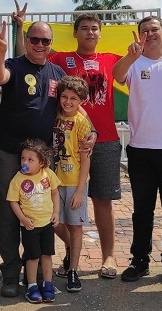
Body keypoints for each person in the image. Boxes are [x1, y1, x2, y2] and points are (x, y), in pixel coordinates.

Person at [0, 16, 80, 297]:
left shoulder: (57, 73)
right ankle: (10, 274)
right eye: (34, 39)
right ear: (27, 41)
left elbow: (71, 104)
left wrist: (92, 132)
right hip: (8, 151)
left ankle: (40, 272)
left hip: (41, 158)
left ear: (51, 44)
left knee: (39, 211)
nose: (40, 44)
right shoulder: (14, 65)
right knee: (9, 212)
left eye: (45, 40)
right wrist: (0, 54)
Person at [40, 12, 125, 280]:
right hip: (64, 144)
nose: (90, 32)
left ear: (101, 34)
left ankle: (108, 256)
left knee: (102, 201)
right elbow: (32, 54)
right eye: (84, 28)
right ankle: (71, 248)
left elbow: (140, 62)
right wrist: (21, 28)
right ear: (75, 33)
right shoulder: (60, 58)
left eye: (95, 29)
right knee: (56, 203)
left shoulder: (111, 60)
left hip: (105, 140)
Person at [111, 15, 162, 287]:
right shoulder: (134, 63)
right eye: (144, 31)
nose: (150, 34)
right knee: (142, 209)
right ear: (138, 35)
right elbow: (117, 75)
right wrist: (131, 57)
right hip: (141, 149)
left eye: (154, 29)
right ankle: (139, 260)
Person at [7, 138, 61, 304]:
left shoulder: (48, 174)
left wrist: (56, 212)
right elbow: (13, 201)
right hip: (29, 226)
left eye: (31, 160)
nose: (25, 162)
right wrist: (22, 218)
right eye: (23, 158)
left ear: (42, 162)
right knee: (32, 257)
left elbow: (54, 193)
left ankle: (48, 284)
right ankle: (31, 286)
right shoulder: (18, 179)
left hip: (47, 224)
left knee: (47, 255)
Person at [52, 76, 92, 292]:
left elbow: (86, 158)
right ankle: (70, 247)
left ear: (81, 101)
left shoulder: (82, 123)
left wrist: (79, 190)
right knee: (54, 221)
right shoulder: (53, 116)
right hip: (54, 182)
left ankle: (73, 269)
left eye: (73, 98)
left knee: (75, 225)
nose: (67, 102)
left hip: (74, 181)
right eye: (64, 97)